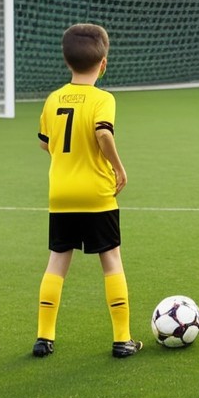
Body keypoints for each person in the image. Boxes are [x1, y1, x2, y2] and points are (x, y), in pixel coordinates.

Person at [33, 23, 141, 359]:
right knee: (111, 260)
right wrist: (119, 168)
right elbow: (103, 133)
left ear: (67, 62)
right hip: (96, 194)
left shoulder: (54, 99)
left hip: (61, 194)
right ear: (103, 63)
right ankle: (122, 340)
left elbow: (45, 143)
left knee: (57, 262)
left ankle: (44, 337)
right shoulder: (103, 99)